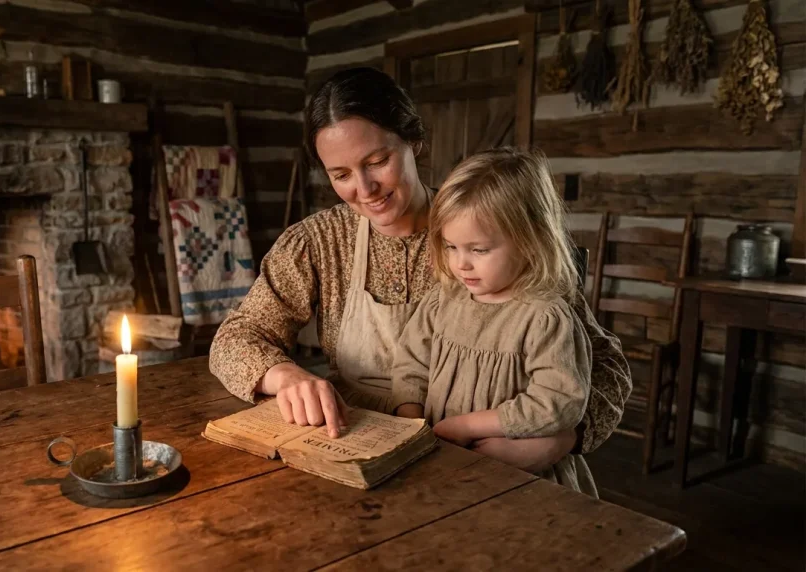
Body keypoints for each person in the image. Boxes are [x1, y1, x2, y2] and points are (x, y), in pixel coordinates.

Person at [209, 67, 630, 472]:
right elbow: (234, 340)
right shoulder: (318, 242)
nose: (365, 188)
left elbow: (607, 365)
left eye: (377, 161)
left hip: (485, 457)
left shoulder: (494, 225)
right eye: (341, 174)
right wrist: (285, 377)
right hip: (355, 444)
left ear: (415, 141)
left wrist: (562, 441)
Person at [390, 148, 597, 496]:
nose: (461, 264)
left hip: (521, 478)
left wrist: (469, 425)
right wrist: (411, 424)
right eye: (451, 246)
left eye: (479, 250)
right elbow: (410, 365)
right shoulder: (443, 300)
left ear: (530, 241)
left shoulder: (543, 316)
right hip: (442, 464)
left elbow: (558, 401)